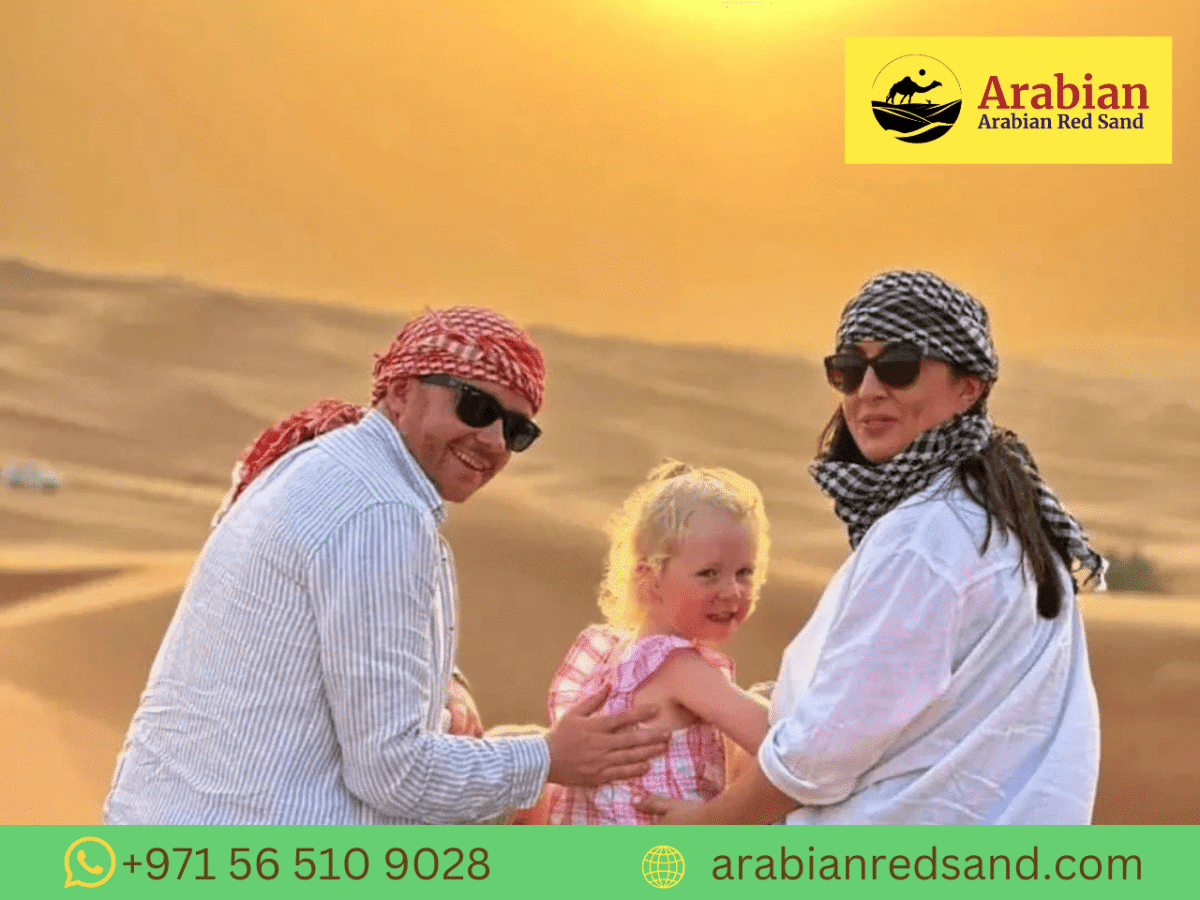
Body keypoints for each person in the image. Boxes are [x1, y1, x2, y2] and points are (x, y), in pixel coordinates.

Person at [104, 306, 669, 825]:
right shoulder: (382, 511)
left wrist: (446, 686)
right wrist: (549, 758)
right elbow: (395, 774)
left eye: (517, 431)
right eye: (476, 408)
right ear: (401, 392)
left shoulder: (328, 463)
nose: (494, 441)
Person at [639, 270, 1105, 825]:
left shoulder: (927, 537)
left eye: (899, 367)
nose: (868, 391)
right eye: (849, 369)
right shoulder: (999, 515)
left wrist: (705, 828)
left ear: (969, 386)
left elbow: (818, 757)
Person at [541, 461, 773, 824]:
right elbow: (781, 743)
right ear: (650, 578)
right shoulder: (676, 666)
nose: (732, 591)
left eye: (744, 572)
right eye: (708, 574)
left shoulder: (612, 651)